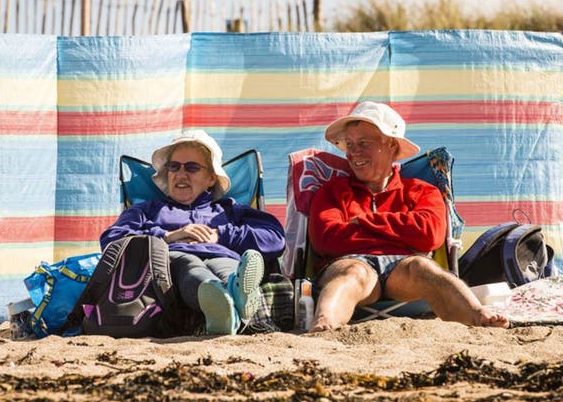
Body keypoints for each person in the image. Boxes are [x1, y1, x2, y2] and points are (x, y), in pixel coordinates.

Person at [308, 101, 509, 332]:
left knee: (423, 269)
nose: (354, 153)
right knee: (355, 272)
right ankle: (324, 324)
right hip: (348, 262)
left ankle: (478, 316)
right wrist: (401, 235)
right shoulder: (332, 190)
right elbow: (327, 240)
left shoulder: (422, 190)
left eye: (364, 143)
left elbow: (430, 234)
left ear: (392, 146)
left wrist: (365, 221)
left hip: (402, 269)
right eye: (349, 145)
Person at [100, 130, 286, 335]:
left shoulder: (229, 209)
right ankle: (220, 299)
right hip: (172, 260)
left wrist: (221, 235)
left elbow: (275, 237)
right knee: (190, 266)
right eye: (174, 167)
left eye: (192, 167)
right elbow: (111, 240)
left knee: (228, 267)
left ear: (211, 178)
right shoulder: (147, 210)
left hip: (222, 253)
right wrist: (165, 237)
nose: (180, 174)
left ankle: (232, 301)